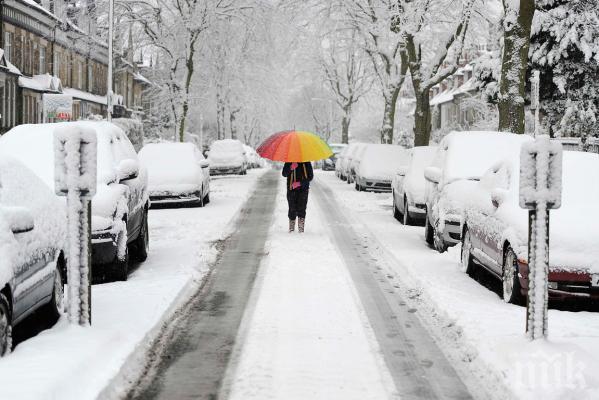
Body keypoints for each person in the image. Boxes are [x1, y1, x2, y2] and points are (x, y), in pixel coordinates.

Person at [282, 161, 314, 233]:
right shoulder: (289, 161)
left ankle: (301, 230)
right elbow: (284, 173)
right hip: (291, 190)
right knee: (292, 209)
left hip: (303, 190)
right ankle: (291, 229)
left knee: (302, 209)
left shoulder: (306, 162)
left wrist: (300, 183)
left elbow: (310, 176)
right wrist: (291, 167)